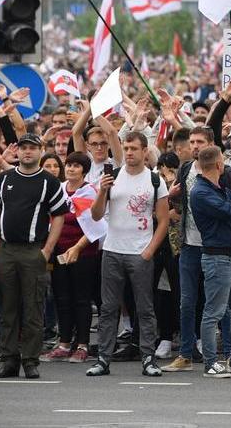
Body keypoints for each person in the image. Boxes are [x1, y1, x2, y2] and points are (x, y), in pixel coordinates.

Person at [0, 133, 69, 379]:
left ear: (41, 151)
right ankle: (9, 360)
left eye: (32, 148)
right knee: (8, 308)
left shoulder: (48, 182)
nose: (27, 152)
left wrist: (48, 250)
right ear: (17, 152)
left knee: (33, 308)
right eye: (24, 148)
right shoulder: (4, 178)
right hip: (6, 250)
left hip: (34, 251)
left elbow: (60, 215)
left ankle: (30, 361)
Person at [86, 131, 170, 377]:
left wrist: (149, 251)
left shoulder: (155, 181)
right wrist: (102, 191)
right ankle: (103, 358)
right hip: (112, 250)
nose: (130, 152)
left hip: (140, 253)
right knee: (109, 308)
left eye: (134, 148)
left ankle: (148, 358)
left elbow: (164, 221)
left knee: (144, 308)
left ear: (145, 151)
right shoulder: (111, 176)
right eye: (126, 148)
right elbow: (96, 215)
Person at [162, 126, 231, 372]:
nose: (194, 146)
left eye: (200, 142)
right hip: (189, 245)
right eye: (192, 142)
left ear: (211, 144)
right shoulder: (185, 169)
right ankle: (186, 354)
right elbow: (178, 203)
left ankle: (227, 353)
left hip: (215, 246)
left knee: (220, 303)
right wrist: (172, 195)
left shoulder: (224, 172)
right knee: (187, 301)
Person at [190, 146, 231, 378]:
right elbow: (230, 211)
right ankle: (210, 362)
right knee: (214, 311)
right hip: (217, 257)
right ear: (218, 165)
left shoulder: (219, 186)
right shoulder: (200, 192)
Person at [40, 152, 102, 364]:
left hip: (84, 253)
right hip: (59, 252)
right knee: (62, 298)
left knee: (81, 299)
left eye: (76, 166)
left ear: (84, 170)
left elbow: (97, 225)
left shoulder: (91, 192)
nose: (71, 169)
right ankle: (64, 343)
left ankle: (82, 344)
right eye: (69, 165)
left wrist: (77, 248)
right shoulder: (58, 190)